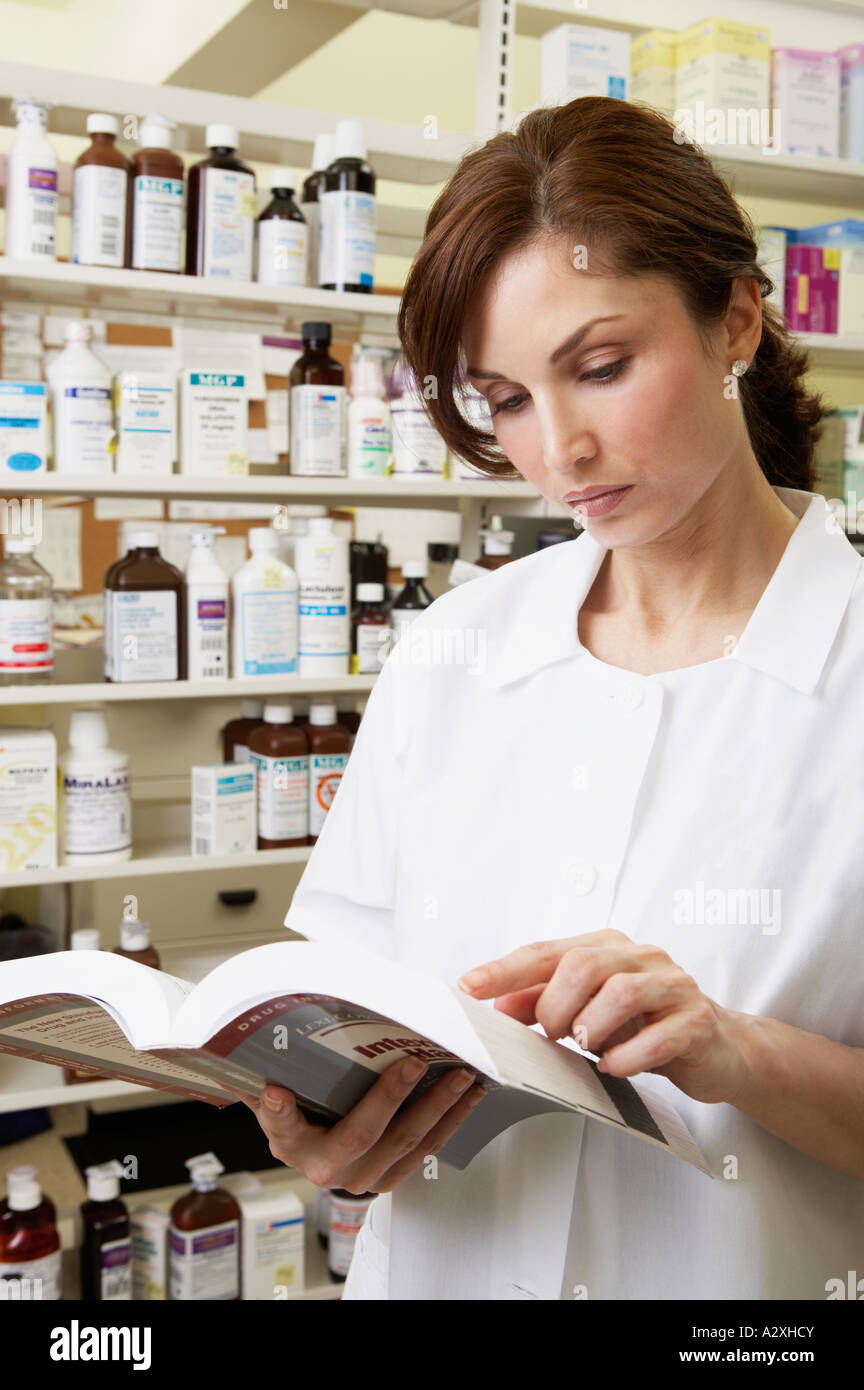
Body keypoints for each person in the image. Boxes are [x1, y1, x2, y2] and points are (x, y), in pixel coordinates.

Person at [244, 97, 864, 1300]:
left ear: (737, 318)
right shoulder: (459, 647)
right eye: (507, 399)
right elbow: (348, 1017)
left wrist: (740, 1053)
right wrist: (332, 1141)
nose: (558, 449)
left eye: (601, 367)